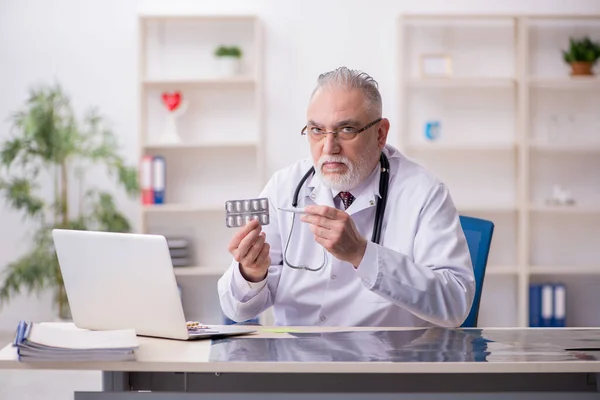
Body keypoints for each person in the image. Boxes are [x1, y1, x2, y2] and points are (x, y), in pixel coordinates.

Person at [218, 67, 474, 327]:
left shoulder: (423, 192)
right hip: (296, 361)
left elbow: (455, 304)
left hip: (385, 362)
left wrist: (361, 253)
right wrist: (251, 273)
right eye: (317, 130)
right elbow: (236, 310)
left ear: (380, 134)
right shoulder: (284, 187)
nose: (329, 147)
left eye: (347, 130)